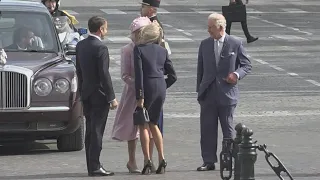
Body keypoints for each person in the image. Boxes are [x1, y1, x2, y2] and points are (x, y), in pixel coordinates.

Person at [196, 13, 252, 171]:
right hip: (208, 94)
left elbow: (246, 65)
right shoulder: (204, 44)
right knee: (207, 129)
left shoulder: (235, 43)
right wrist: (199, 92)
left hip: (227, 94)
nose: (208, 30)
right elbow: (200, 70)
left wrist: (236, 74)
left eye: (210, 27)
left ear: (220, 28)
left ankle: (228, 160)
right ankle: (208, 161)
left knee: (228, 129)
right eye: (207, 27)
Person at [75, 16, 118, 177]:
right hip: (99, 95)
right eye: (106, 28)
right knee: (97, 131)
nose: (106, 31)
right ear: (101, 29)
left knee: (90, 132)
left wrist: (81, 91)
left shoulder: (80, 45)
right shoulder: (101, 48)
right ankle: (95, 166)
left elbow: (78, 70)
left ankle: (90, 165)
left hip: (86, 93)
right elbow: (104, 74)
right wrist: (111, 97)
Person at [134, 21, 177, 174]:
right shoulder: (162, 50)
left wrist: (140, 95)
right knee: (154, 123)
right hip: (160, 86)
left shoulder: (139, 49)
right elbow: (173, 75)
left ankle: (147, 160)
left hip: (147, 87)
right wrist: (163, 85)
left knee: (143, 124)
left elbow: (139, 74)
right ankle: (162, 158)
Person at [111, 16, 152, 174]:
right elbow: (125, 75)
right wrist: (138, 85)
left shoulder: (151, 47)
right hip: (133, 93)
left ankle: (149, 160)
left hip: (150, 93)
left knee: (150, 127)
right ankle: (132, 160)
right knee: (132, 129)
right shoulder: (128, 50)